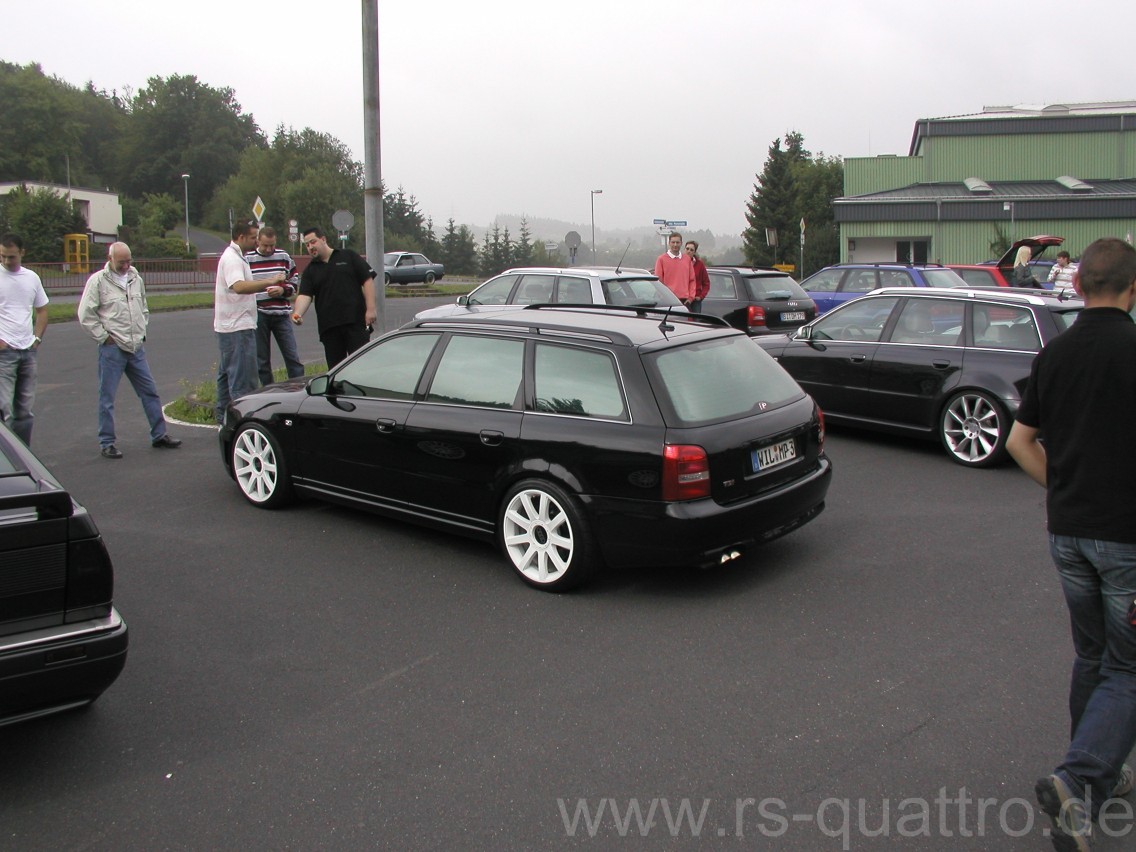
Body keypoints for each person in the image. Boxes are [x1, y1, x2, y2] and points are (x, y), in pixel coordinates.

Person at [1006, 237, 1136, 851]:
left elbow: (1018, 443)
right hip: (1125, 538)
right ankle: (1078, 780)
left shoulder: (1055, 353)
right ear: (1133, 289)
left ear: (1079, 287)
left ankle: (1092, 780)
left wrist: (1067, 491)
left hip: (1068, 532)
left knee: (1092, 656)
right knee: (1128, 665)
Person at [77, 242, 181, 458]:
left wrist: (142, 331)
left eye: (128, 261)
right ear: (110, 259)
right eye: (121, 262)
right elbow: (85, 314)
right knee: (107, 398)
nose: (126, 265)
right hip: (113, 349)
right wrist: (104, 338)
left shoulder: (136, 278)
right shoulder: (98, 281)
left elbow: (143, 306)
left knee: (150, 391)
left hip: (136, 347)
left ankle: (159, 435)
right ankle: (107, 442)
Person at [215, 221, 287, 424]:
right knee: (243, 380)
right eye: (253, 237)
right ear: (240, 237)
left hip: (232, 327)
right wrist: (269, 282)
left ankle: (222, 419)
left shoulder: (239, 257)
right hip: (237, 328)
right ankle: (241, 424)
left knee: (225, 376)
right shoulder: (232, 259)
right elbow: (238, 286)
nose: (257, 240)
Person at [292, 227, 377, 369]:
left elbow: (367, 280)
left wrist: (371, 309)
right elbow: (304, 295)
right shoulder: (310, 271)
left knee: (362, 367)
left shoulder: (347, 256)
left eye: (313, 242)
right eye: (307, 245)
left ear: (323, 239)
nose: (310, 247)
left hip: (355, 323)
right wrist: (298, 313)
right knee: (336, 371)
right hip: (329, 329)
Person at [0, 233, 49, 446]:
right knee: (4, 408)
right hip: (4, 352)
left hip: (27, 350)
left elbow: (42, 310)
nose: (6, 261)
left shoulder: (31, 278)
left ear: (22, 253)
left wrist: (36, 339)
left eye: (11, 257)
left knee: (24, 410)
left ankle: (23, 456)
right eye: (2, 256)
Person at [246, 226, 304, 386]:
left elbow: (294, 283)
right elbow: (244, 285)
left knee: (292, 355)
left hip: (281, 314)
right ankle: (268, 391)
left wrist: (282, 290)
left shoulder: (283, 257)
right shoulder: (248, 259)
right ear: (258, 241)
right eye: (265, 245)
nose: (269, 249)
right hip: (259, 314)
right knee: (262, 359)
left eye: (272, 245)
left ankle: (298, 387)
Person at [654, 232, 696, 308]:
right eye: (673, 242)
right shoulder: (661, 259)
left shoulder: (687, 259)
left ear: (681, 243)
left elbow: (692, 280)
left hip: (685, 301)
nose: (675, 245)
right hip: (668, 300)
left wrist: (690, 298)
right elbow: (659, 281)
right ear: (669, 243)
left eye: (677, 242)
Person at [685, 240, 710, 313]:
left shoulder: (700, 265)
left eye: (691, 250)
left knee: (695, 321)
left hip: (695, 300)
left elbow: (706, 283)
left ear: (694, 252)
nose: (689, 251)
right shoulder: (679, 263)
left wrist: (701, 296)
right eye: (687, 249)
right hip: (683, 298)